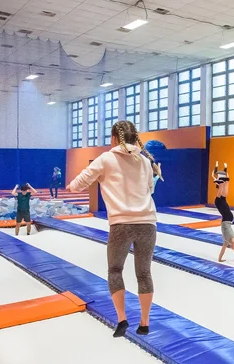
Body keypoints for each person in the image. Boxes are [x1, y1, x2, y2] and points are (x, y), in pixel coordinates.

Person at [67, 120, 162, 338]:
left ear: (113, 138)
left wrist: (71, 186)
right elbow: (149, 189)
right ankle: (144, 323)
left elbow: (80, 182)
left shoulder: (106, 159)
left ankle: (122, 320)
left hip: (121, 224)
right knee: (144, 272)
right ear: (134, 137)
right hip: (148, 222)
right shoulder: (145, 161)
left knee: (115, 270)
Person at [212, 161, 234, 266]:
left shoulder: (227, 241)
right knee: (222, 197)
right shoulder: (233, 240)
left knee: (222, 197)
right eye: (233, 248)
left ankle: (224, 181)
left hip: (227, 218)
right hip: (227, 217)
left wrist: (219, 259)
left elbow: (222, 249)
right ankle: (223, 182)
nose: (232, 249)